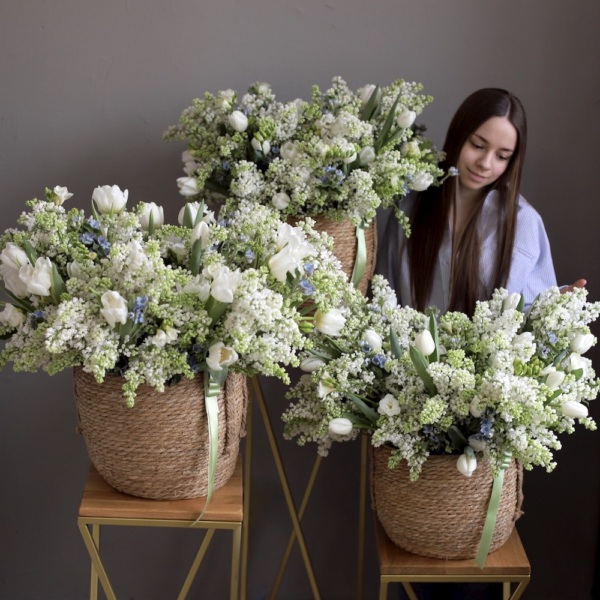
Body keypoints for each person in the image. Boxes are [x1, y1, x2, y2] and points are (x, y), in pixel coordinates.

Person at [377, 87, 585, 315]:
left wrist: (555, 306)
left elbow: (525, 314)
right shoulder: (411, 204)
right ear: (458, 135)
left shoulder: (523, 222)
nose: (485, 163)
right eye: (477, 145)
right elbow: (383, 294)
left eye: (502, 156)